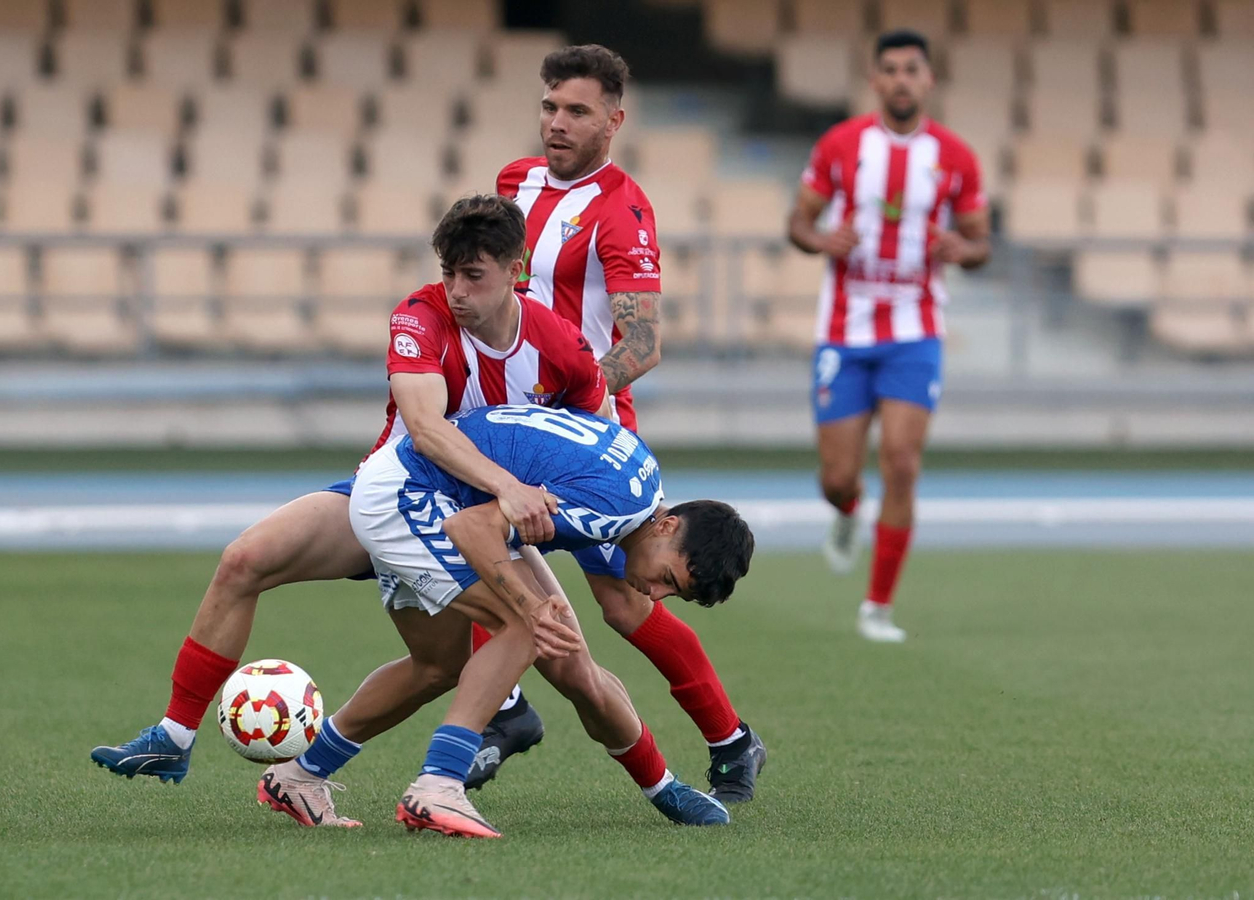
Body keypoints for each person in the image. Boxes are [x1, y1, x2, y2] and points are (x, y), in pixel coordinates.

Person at [91, 195, 614, 782]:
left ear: (516, 271)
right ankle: (174, 735)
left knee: (563, 666)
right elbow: (424, 428)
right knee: (244, 560)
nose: (457, 291)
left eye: (474, 275)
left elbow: (599, 438)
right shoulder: (420, 316)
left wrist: (558, 509)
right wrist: (511, 485)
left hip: (479, 524)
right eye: (449, 272)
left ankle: (663, 778)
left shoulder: (560, 345)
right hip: (391, 501)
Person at [256, 404, 753, 836]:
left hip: (422, 487)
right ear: (667, 526)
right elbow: (470, 527)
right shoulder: (613, 508)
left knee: (447, 666)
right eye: (668, 576)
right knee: (526, 626)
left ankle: (300, 775)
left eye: (674, 594)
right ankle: (439, 783)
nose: (657, 594)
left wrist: (663, 791)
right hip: (412, 497)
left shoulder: (640, 485)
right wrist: (529, 606)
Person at [485, 43, 764, 801]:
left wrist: (567, 394)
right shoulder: (514, 182)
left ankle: (731, 739)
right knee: (480, 538)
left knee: (620, 603)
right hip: (511, 417)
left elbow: (641, 343)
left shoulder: (623, 208)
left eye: (576, 111)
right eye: (549, 106)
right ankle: (503, 710)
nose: (557, 123)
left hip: (588, 434)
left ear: (614, 119)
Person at [787, 30, 990, 643]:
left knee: (902, 462)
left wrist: (963, 248)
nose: (902, 80)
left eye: (912, 70)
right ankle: (847, 512)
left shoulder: (954, 157)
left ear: (928, 81)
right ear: (875, 81)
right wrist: (822, 239)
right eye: (891, 70)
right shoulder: (842, 145)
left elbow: (981, 243)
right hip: (845, 331)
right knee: (837, 477)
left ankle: (877, 606)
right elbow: (798, 221)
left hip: (916, 328)